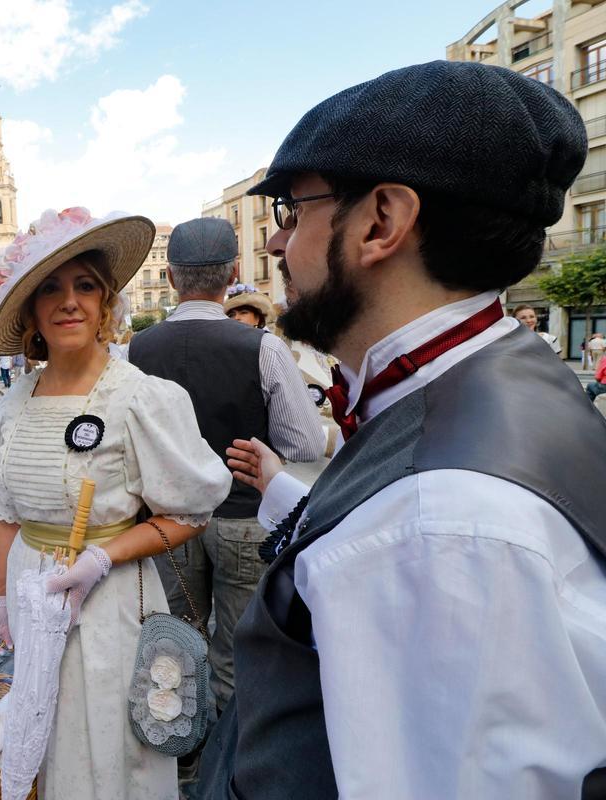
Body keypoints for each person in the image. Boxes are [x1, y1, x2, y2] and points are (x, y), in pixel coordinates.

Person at [196, 61, 606, 799]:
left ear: (381, 221)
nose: (276, 244)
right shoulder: (502, 370)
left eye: (293, 211)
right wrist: (290, 497)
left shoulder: (434, 524)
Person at [0, 206, 231, 799]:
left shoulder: (141, 397)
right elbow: (8, 512)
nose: (69, 302)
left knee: (109, 746)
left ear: (104, 304)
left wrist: (101, 558)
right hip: (33, 593)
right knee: (48, 737)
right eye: (51, 288)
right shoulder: (17, 399)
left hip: (107, 598)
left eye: (85, 286)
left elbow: (189, 514)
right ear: (31, 312)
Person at [128, 217, 326, 729]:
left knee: (173, 644)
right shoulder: (262, 346)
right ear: (233, 273)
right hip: (242, 514)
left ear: (171, 277)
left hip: (166, 521)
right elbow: (305, 443)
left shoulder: (135, 351)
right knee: (237, 652)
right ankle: (230, 752)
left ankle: (179, 750)